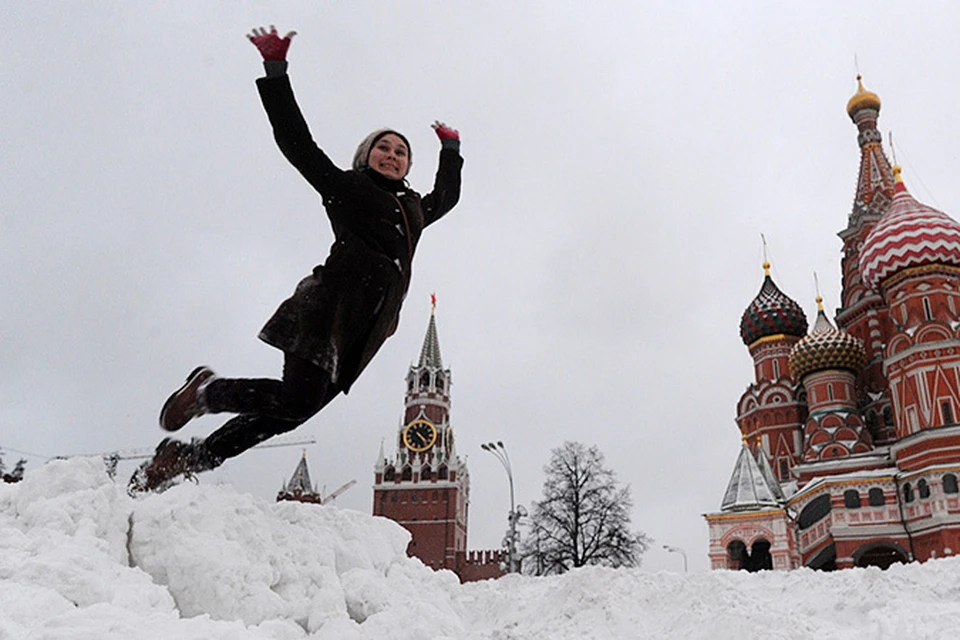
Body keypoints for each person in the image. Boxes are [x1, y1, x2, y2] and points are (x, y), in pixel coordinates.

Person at [129, 26, 462, 493]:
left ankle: (191, 457)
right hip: (326, 309)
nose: (392, 155)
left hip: (363, 330)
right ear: (365, 158)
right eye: (382, 148)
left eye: (400, 151)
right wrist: (275, 71)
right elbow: (297, 143)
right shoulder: (348, 189)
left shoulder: (413, 211)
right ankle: (205, 395)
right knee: (296, 397)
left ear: (408, 166)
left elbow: (446, 197)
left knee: (290, 412)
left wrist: (451, 149)